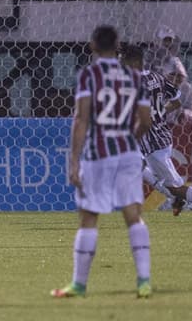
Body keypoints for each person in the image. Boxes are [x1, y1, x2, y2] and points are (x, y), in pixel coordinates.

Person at [51, 26, 153, 299]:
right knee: (133, 216)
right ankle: (144, 281)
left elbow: (81, 119)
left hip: (98, 154)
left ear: (92, 45)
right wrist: (129, 138)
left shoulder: (89, 75)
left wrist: (74, 161)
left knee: (88, 218)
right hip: (129, 153)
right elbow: (146, 121)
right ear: (117, 45)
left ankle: (79, 284)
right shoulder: (135, 78)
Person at [121, 45, 192, 216]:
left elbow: (143, 120)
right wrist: (160, 111)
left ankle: (180, 199)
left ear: (133, 62)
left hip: (153, 142)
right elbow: (176, 102)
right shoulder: (157, 77)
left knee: (175, 189)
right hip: (161, 136)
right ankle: (177, 199)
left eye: (123, 61)